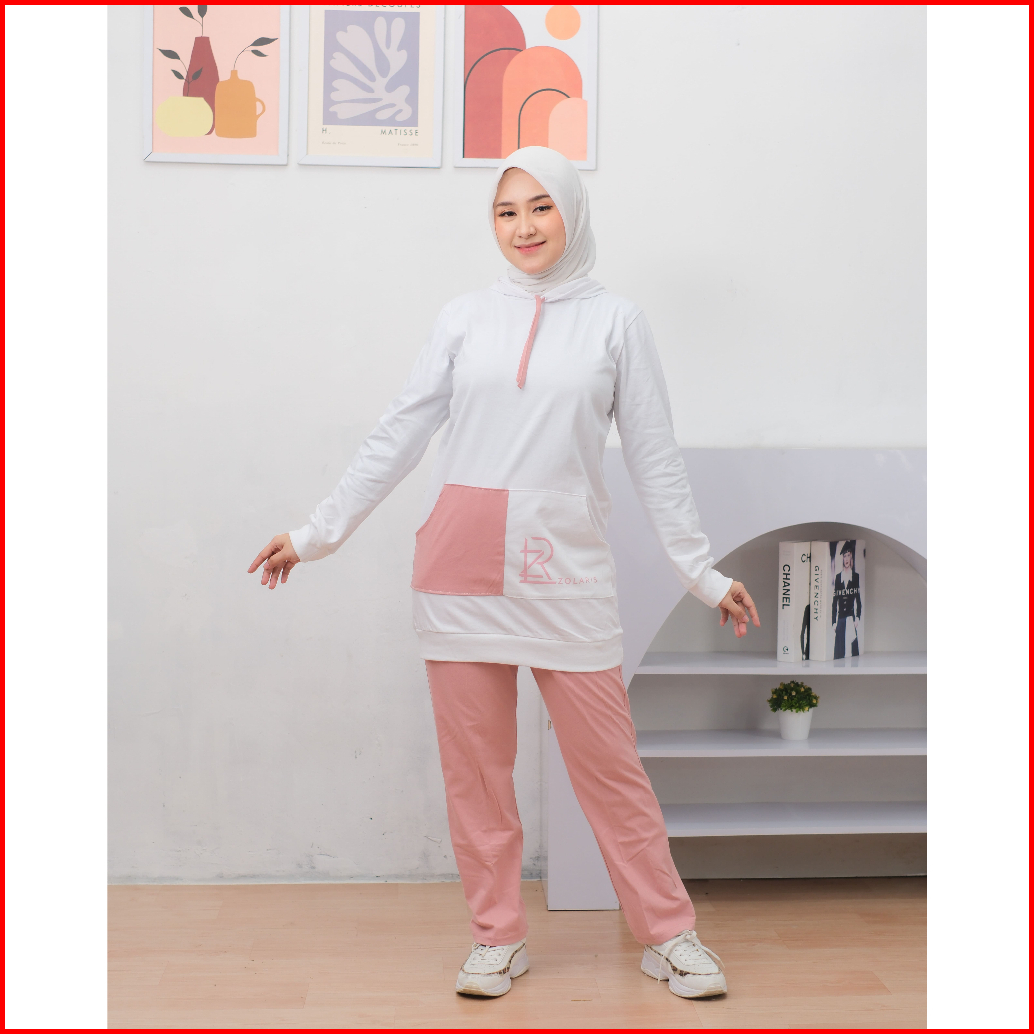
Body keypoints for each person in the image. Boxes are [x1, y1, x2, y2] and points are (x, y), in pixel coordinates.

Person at [249, 147, 760, 1000]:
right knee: (477, 773)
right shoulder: (463, 319)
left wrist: (700, 572)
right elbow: (399, 434)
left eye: (540, 207)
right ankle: (496, 936)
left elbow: (654, 457)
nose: (523, 227)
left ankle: (669, 933)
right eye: (505, 211)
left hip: (565, 567)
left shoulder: (617, 323)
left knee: (609, 767)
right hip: (460, 564)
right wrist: (315, 535)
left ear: (572, 212)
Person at [832, 540, 862, 658]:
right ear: (842, 558)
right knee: (839, 653)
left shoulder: (855, 577)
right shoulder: (838, 577)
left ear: (851, 557)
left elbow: (858, 600)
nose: (846, 559)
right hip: (840, 619)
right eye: (844, 556)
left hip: (851, 619)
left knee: (854, 652)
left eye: (848, 556)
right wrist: (834, 622)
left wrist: (857, 618)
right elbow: (835, 601)